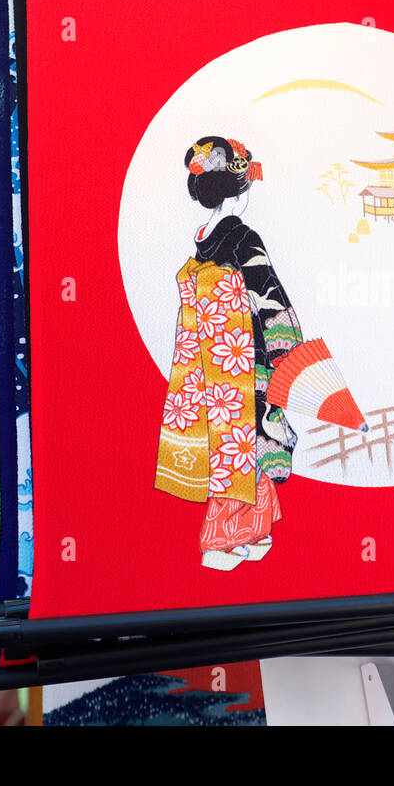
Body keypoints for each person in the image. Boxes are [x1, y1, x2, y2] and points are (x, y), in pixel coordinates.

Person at [154, 136, 304, 571]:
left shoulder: (202, 240)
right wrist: (288, 349)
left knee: (235, 446)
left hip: (212, 360)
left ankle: (255, 532)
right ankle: (222, 541)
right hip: (245, 358)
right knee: (247, 443)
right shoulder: (241, 238)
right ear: (239, 187)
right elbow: (269, 294)